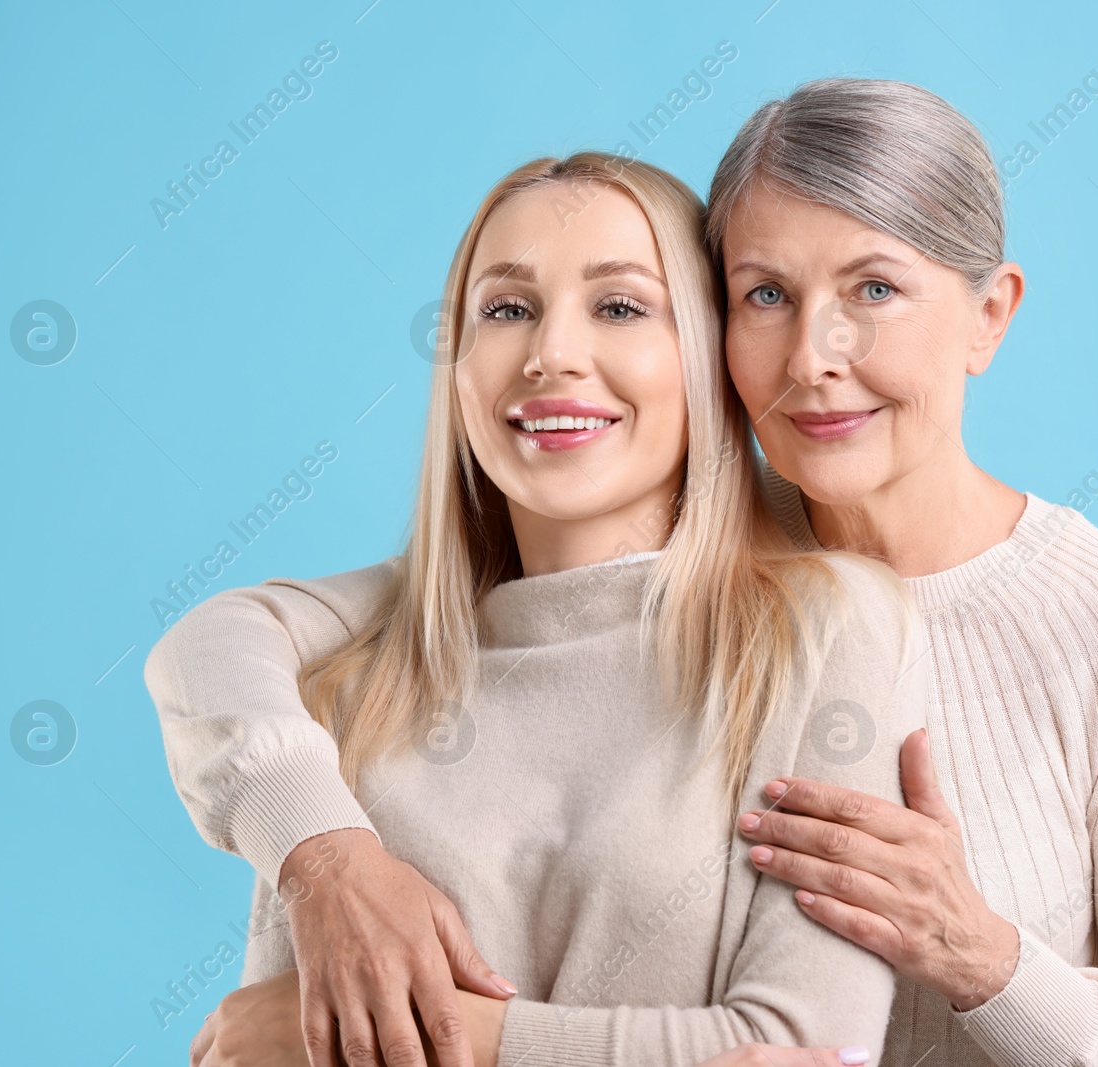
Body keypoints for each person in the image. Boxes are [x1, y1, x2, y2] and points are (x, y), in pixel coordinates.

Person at [157, 76, 1098, 1066]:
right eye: (764, 294)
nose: (811, 359)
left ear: (989, 314)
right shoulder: (653, 544)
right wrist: (323, 851)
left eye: (875, 290)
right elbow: (233, 639)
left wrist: (978, 950)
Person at [145, 150, 926, 1067]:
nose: (552, 352)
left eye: (621, 306)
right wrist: (328, 860)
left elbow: (804, 1049)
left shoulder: (825, 628)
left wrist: (466, 1040)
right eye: (507, 310)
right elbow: (208, 645)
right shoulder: (358, 676)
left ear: (707, 358)